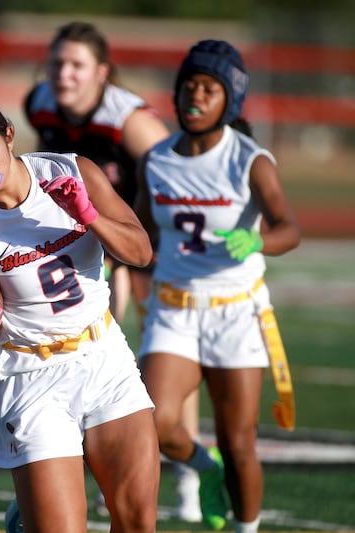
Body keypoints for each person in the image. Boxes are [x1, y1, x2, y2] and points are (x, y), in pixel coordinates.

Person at [0, 93, 160, 533]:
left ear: (9, 136)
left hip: (103, 356)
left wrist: (87, 214)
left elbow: (141, 251)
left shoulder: (71, 171)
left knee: (137, 523)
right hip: (32, 374)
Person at [23, 21, 201, 522]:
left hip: (148, 236)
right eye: (57, 62)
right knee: (94, 343)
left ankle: (186, 471)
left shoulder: (132, 120)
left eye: (76, 64)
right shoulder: (40, 100)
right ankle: (98, 464)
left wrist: (152, 246)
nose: (63, 73)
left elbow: (176, 177)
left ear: (102, 72)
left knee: (160, 349)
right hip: (92, 238)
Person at [135, 40, 301, 533]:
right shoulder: (157, 159)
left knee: (239, 442)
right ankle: (204, 469)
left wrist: (257, 242)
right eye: (189, 85)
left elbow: (289, 229)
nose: (196, 96)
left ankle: (246, 528)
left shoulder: (251, 160)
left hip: (236, 310)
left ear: (230, 99)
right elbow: (140, 232)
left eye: (209, 88)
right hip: (173, 308)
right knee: (155, 424)